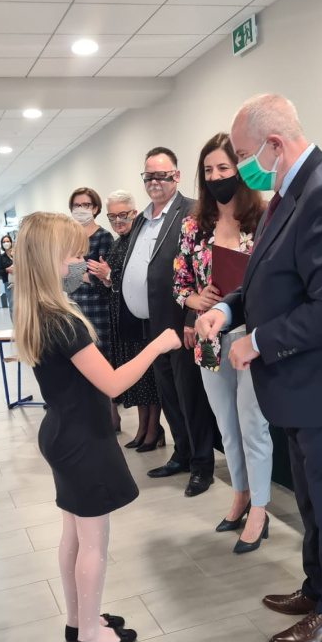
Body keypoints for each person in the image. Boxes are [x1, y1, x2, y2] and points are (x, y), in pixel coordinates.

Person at [196, 93, 322, 642]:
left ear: (273, 144)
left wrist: (258, 342)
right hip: (298, 390)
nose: (240, 168)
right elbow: (265, 280)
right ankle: (318, 589)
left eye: (242, 156)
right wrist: (227, 311)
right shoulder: (286, 194)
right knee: (312, 502)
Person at [13, 211, 180, 642]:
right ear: (50, 259)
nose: (81, 262)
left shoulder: (36, 312)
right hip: (82, 439)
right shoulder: (63, 322)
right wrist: (158, 344)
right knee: (93, 541)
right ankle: (90, 632)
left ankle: (78, 619)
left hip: (62, 432)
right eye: (74, 254)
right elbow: (113, 383)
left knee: (73, 533)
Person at [174, 133, 273, 553]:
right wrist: (195, 299)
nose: (216, 177)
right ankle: (240, 494)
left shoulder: (265, 218)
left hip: (252, 339)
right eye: (209, 170)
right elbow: (180, 283)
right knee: (227, 427)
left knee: (254, 426)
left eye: (224, 168)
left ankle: (261, 509)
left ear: (240, 172)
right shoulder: (194, 224)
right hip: (210, 337)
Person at [120, 146, 216, 497]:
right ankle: (182, 455)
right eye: (149, 176)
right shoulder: (142, 219)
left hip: (181, 323)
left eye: (162, 175)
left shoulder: (192, 211)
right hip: (152, 324)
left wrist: (192, 316)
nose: (154, 181)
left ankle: (202, 466)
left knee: (190, 396)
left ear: (176, 176)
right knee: (169, 395)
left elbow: (202, 269)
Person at [104, 190, 163, 450]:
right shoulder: (117, 243)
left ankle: (154, 428)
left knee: (147, 374)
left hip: (139, 318)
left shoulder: (139, 240)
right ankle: (142, 427)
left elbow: (141, 277)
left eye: (123, 215)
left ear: (134, 213)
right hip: (122, 318)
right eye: (112, 216)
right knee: (135, 376)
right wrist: (106, 278)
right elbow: (115, 281)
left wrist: (110, 275)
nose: (118, 221)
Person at [68, 186, 113, 360]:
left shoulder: (103, 237)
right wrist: (85, 274)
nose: (80, 209)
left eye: (85, 205)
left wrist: (75, 272)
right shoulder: (69, 239)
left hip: (97, 308)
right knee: (78, 357)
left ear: (95, 209)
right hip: (73, 306)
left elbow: (102, 279)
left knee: (100, 357)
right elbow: (65, 279)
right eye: (76, 205)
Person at [0, 234, 14, 321]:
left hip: (20, 282)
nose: (6, 243)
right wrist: (6, 270)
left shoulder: (16, 254)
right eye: (4, 242)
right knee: (12, 304)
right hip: (9, 283)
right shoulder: (1, 257)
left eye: (7, 241)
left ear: (11, 242)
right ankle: (16, 324)